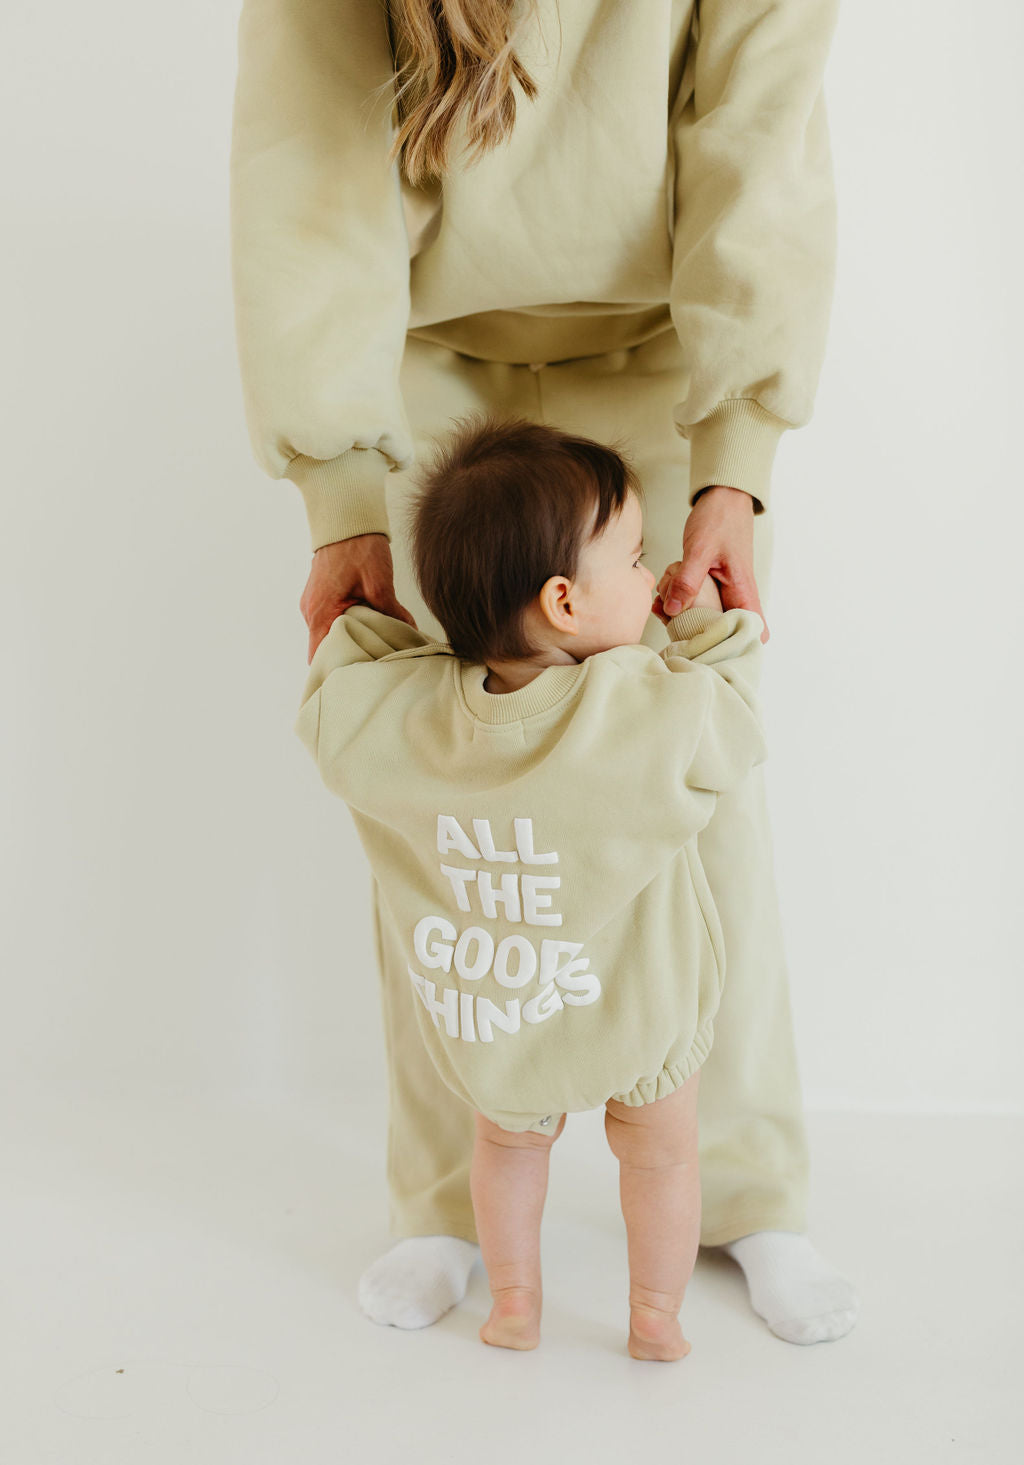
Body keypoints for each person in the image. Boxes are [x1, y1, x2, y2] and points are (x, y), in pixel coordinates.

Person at [229, 0, 860, 1344]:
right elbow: (310, 164)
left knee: (698, 796)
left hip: (663, 363)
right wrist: (342, 489)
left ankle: (747, 1189)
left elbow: (760, 134)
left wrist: (740, 462)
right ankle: (446, 1205)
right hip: (425, 375)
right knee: (444, 813)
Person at [294, 413, 769, 1360]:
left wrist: (365, 627)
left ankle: (514, 1304)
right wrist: (705, 618)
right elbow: (734, 715)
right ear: (563, 600)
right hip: (639, 1008)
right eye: (636, 559)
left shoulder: (414, 718)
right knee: (661, 1152)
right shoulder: (637, 712)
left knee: (507, 1148)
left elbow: (331, 698)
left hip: (504, 1019)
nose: (649, 574)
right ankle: (655, 1314)